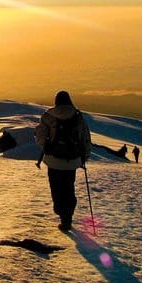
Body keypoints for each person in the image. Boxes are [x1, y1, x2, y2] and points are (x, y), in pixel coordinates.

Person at [34, 91, 92, 231]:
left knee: (56, 188)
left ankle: (61, 213)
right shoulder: (77, 116)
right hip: (71, 161)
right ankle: (68, 217)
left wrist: (46, 147)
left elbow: (40, 136)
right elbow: (85, 138)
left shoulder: (49, 116)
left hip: (53, 160)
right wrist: (84, 157)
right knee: (68, 188)